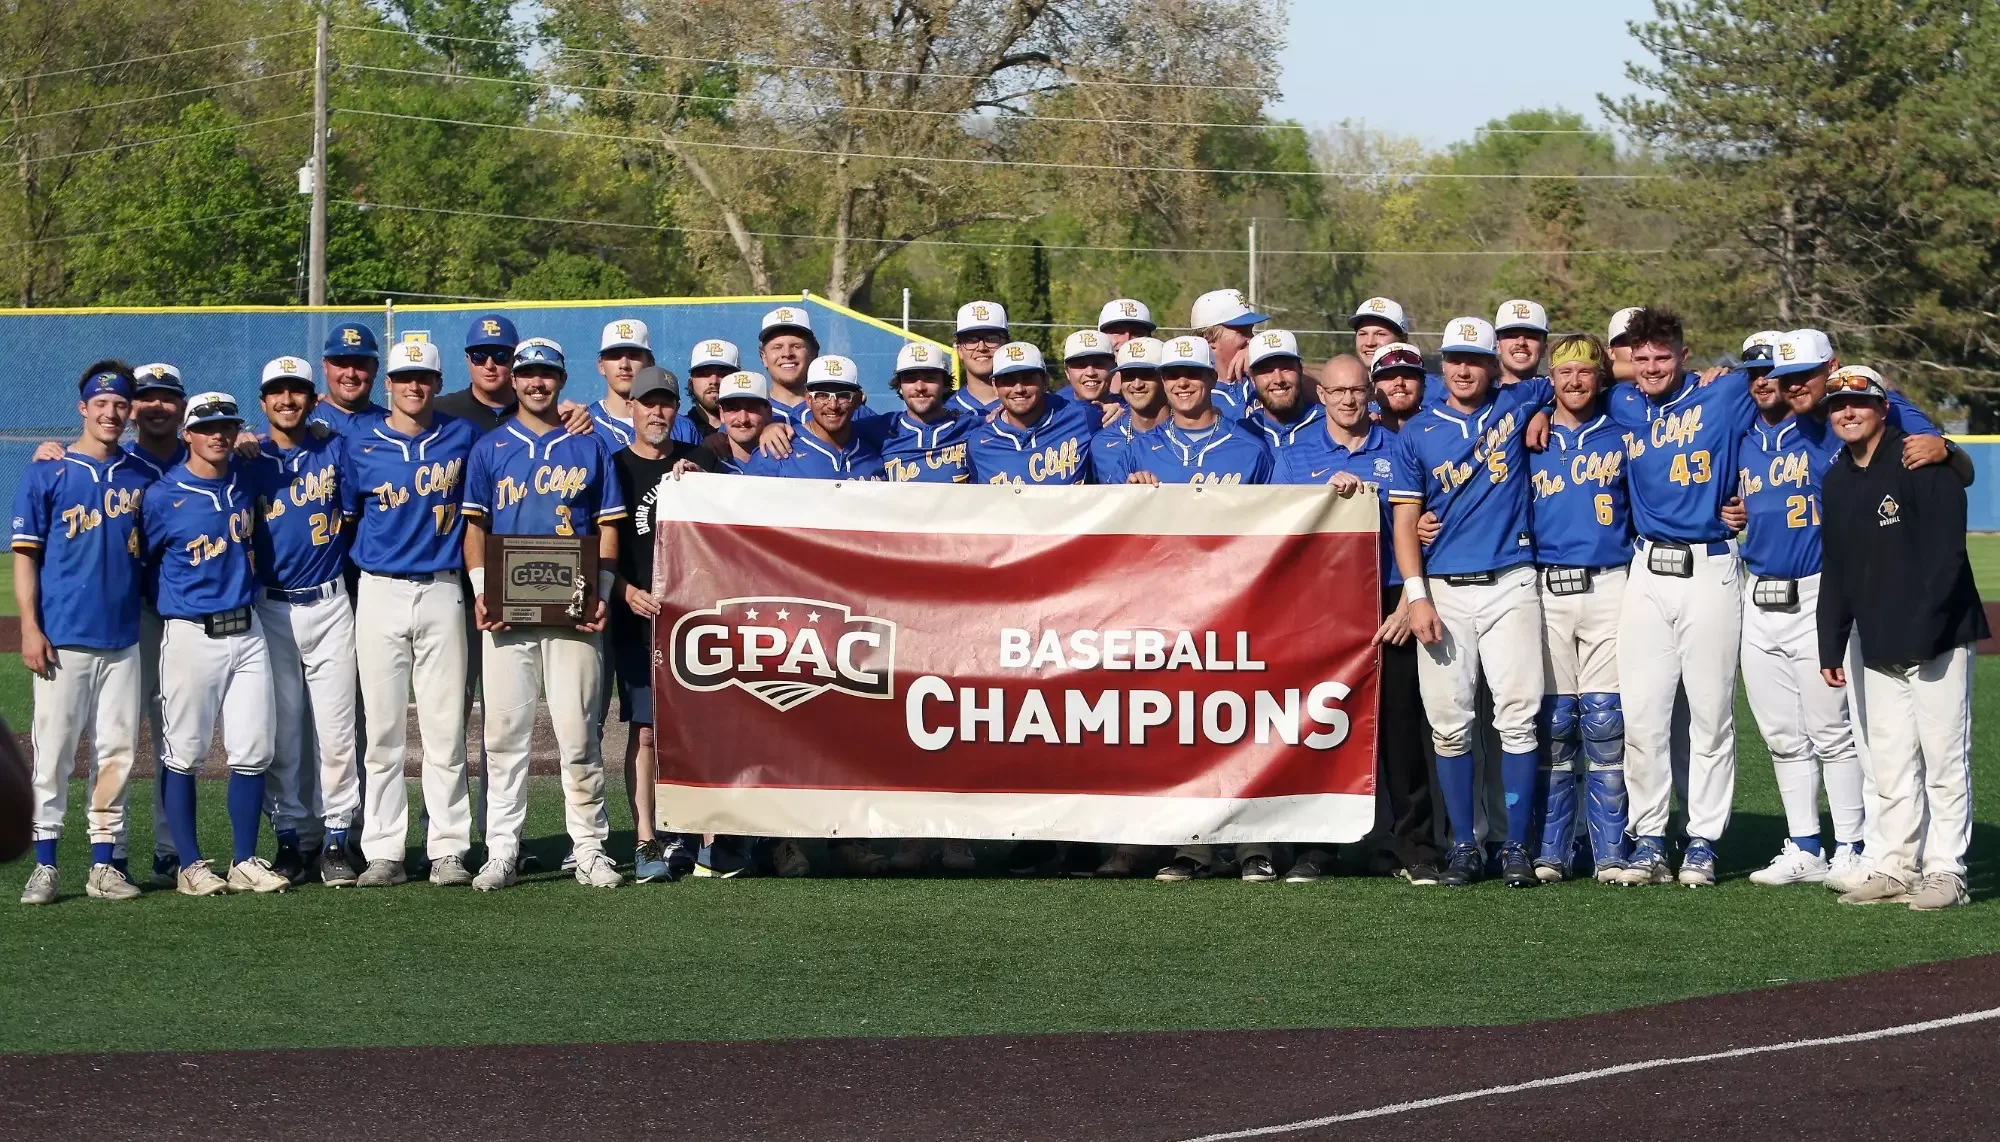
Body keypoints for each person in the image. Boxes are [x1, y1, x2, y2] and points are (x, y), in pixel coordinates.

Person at [1387, 318, 1549, 889]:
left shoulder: (1519, 398)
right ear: (1442, 364)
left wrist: (1544, 409)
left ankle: (1515, 845)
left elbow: (1598, 375)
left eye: (1473, 360)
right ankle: (1464, 844)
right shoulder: (1419, 431)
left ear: (1492, 364)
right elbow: (1405, 521)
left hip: (1512, 581)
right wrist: (1417, 597)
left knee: (1517, 719)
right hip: (1445, 591)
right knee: (1451, 726)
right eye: (1453, 359)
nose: (1462, 369)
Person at [1818, 365, 1985, 911]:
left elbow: (1947, 556)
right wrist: (1830, 640)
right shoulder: (1838, 477)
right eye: (1839, 404)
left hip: (1937, 635)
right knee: (1888, 762)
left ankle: (1946, 872)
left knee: (1942, 758)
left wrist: (1926, 627)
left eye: (1859, 404)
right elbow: (1838, 567)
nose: (1848, 411)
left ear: (1882, 409)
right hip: (1876, 639)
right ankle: (1894, 864)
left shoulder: (1922, 459)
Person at [461, 339, 627, 891]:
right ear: (513, 379)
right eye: (527, 374)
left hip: (575, 611)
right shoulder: (490, 448)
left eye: (546, 374)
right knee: (505, 735)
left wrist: (602, 588)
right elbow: (476, 528)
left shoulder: (590, 444)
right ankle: (503, 847)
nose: (536, 383)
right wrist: (484, 590)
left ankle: (589, 846)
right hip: (508, 614)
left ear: (561, 378)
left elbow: (607, 525)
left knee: (578, 734)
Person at [1121, 336, 1277, 882]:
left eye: (1192, 372)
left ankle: (1254, 845)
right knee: (1184, 727)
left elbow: (1276, 526)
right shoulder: (1139, 450)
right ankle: (1195, 847)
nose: (1182, 383)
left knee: (1246, 725)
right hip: (1168, 611)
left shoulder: (1249, 447)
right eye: (1172, 374)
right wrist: (1130, 492)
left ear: (1211, 378)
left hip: (1238, 606)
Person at [340, 339, 479, 888]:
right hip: (378, 590)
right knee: (384, 730)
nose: (413, 386)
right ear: (388, 384)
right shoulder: (359, 443)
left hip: (444, 588)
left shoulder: (462, 437)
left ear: (437, 384)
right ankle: (384, 849)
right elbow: (348, 516)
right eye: (404, 377)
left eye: (423, 378)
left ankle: (447, 847)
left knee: (445, 728)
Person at [141, 391, 289, 896]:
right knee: (184, 750)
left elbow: (282, 442)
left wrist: (257, 439)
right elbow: (144, 564)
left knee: (253, 748)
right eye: (206, 426)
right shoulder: (163, 496)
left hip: (247, 630)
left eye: (226, 425)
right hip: (190, 633)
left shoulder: (244, 477)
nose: (218, 434)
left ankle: (245, 858)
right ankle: (188, 864)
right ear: (187, 434)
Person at [12, 363, 150, 904]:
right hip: (63, 637)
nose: (112, 413)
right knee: (54, 755)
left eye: (120, 405)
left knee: (116, 753)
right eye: (102, 403)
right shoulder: (47, 472)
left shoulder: (140, 474)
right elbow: (26, 558)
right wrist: (29, 627)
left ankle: (103, 864)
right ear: (83, 408)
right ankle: (45, 865)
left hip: (121, 639)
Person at [1270, 353, 1408, 883]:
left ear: (1370, 393)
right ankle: (1317, 849)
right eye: (1339, 391)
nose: (1349, 399)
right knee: (1321, 727)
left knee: (1395, 731)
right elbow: (1275, 532)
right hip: (1320, 612)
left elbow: (1425, 526)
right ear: (1321, 395)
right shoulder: (1294, 455)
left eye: (1358, 389)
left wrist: (1407, 600)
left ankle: (1396, 846)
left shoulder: (1399, 449)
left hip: (1388, 604)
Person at [243, 357, 360, 889]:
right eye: (277, 392)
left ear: (314, 400)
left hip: (332, 604)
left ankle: (337, 837)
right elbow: (179, 455)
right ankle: (291, 838)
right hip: (270, 608)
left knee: (336, 733)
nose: (287, 401)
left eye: (297, 392)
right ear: (263, 401)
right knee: (283, 733)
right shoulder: (245, 457)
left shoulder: (334, 446)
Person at [1524, 334, 1631, 884]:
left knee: (1605, 720)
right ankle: (1553, 848)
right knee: (1556, 721)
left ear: (1600, 376)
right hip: (1544, 587)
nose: (1574, 381)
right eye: (1563, 373)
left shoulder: (1623, 429)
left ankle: (1610, 846)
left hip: (1609, 581)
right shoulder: (1529, 433)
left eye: (1585, 372)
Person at [607, 364, 715, 883]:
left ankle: (702, 835)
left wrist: (703, 479)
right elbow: (602, 546)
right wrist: (624, 590)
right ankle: (646, 839)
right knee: (646, 732)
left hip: (692, 621)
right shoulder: (616, 467)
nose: (657, 411)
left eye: (666, 403)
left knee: (698, 728)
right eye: (648, 402)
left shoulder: (695, 466)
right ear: (630, 406)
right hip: (638, 618)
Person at [967, 343, 1098, 486]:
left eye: (1028, 378)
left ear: (1045, 381)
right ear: (995, 386)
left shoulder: (1084, 418)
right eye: (1008, 380)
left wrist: (1117, 410)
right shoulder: (978, 444)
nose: (1019, 389)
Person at [878, 341, 975, 484]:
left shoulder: (972, 427)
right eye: (910, 379)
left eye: (930, 378)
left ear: (946, 385)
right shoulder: (880, 429)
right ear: (899, 386)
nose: (920, 387)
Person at [1088, 337, 1170, 490]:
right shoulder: (1101, 443)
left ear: (1166, 377)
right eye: (1129, 375)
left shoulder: (1185, 436)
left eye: (1146, 374)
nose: (1137, 384)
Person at [1187, 288, 1268, 417]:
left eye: (1250, 330)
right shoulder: (1192, 392)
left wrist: (1266, 359)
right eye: (1242, 332)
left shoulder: (1262, 375)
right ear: (1209, 338)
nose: (1251, 339)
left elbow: (1306, 385)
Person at [1238, 330, 1322, 452]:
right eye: (1267, 370)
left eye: (1286, 368)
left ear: (1300, 370)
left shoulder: (1330, 425)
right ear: (1252, 379)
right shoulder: (1242, 433)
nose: (1278, 379)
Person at [587, 317, 654, 447]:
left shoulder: (678, 426)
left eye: (634, 356)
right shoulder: (582, 424)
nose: (624, 365)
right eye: (615, 356)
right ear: (601, 366)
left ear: (650, 364)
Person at [311, 321, 385, 432]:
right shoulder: (303, 423)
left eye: (360, 364)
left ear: (375, 368)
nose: (350, 374)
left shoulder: (390, 425)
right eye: (341, 363)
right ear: (325, 366)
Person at [759, 305, 822, 428]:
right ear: (764, 357)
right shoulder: (748, 416)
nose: (787, 354)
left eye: (796, 346)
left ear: (813, 353)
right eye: (777, 347)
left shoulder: (839, 411)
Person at [949, 300, 1009, 416]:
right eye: (971, 340)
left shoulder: (1034, 406)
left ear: (1006, 345)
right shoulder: (944, 412)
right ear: (959, 350)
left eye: (991, 338)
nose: (981, 348)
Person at [713, 371, 776, 474]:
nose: (743, 419)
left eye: (751, 408)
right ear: (721, 413)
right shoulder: (705, 464)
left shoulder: (787, 460)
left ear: (768, 412)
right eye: (733, 409)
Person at [681, 338, 740, 444]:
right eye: (704, 374)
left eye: (723, 374)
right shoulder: (679, 431)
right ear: (691, 383)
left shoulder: (753, 428)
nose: (714, 381)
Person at [1494, 300, 1548, 384]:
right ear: (1498, 346)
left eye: (1531, 336)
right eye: (1512, 335)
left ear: (1544, 349)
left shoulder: (1557, 394)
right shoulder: (1479, 394)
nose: (1521, 342)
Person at [1062, 330, 1120, 406]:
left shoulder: (1129, 411)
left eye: (1099, 364)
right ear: (1067, 372)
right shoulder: (1054, 410)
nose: (1090, 373)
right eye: (1080, 365)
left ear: (1114, 368)